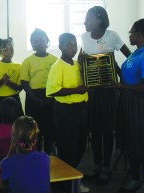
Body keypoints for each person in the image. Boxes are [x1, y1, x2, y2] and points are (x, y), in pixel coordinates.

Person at [80, 6, 131, 184]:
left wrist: (122, 77)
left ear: (100, 20)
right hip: (92, 92)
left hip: (109, 92)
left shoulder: (112, 36)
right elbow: (84, 61)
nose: (85, 22)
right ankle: (96, 166)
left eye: (89, 18)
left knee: (108, 131)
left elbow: (130, 57)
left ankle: (106, 168)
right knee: (95, 130)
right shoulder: (84, 37)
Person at [111, 19, 144, 193]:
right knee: (131, 143)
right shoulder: (136, 53)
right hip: (127, 101)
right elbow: (128, 78)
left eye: (131, 32)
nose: (129, 35)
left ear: (139, 35)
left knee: (142, 145)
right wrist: (115, 68)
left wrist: (122, 87)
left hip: (138, 105)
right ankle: (136, 179)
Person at [46, 33, 90, 193]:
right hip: (65, 111)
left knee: (80, 147)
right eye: (69, 44)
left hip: (81, 109)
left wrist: (83, 65)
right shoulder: (57, 66)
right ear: (61, 47)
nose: (73, 47)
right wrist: (76, 90)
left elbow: (83, 82)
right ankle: (64, 186)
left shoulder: (76, 64)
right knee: (67, 149)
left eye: (74, 44)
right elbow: (53, 90)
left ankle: (71, 179)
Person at [20, 28, 58, 154]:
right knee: (34, 131)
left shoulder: (55, 60)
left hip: (51, 96)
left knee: (49, 130)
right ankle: (35, 155)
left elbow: (58, 81)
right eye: (35, 41)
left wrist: (50, 99)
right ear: (32, 44)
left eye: (42, 40)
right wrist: (35, 99)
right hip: (33, 98)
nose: (39, 43)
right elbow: (24, 83)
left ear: (47, 41)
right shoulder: (28, 61)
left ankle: (47, 155)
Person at [0, 116, 50, 193]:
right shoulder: (45, 158)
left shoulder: (7, 163)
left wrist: (11, 148)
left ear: (13, 139)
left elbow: (3, 176)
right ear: (35, 141)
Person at [0, 37, 23, 126]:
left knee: (15, 126)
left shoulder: (19, 66)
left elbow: (20, 87)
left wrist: (9, 83)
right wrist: (2, 81)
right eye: (5, 49)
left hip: (14, 99)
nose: (8, 52)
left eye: (11, 49)